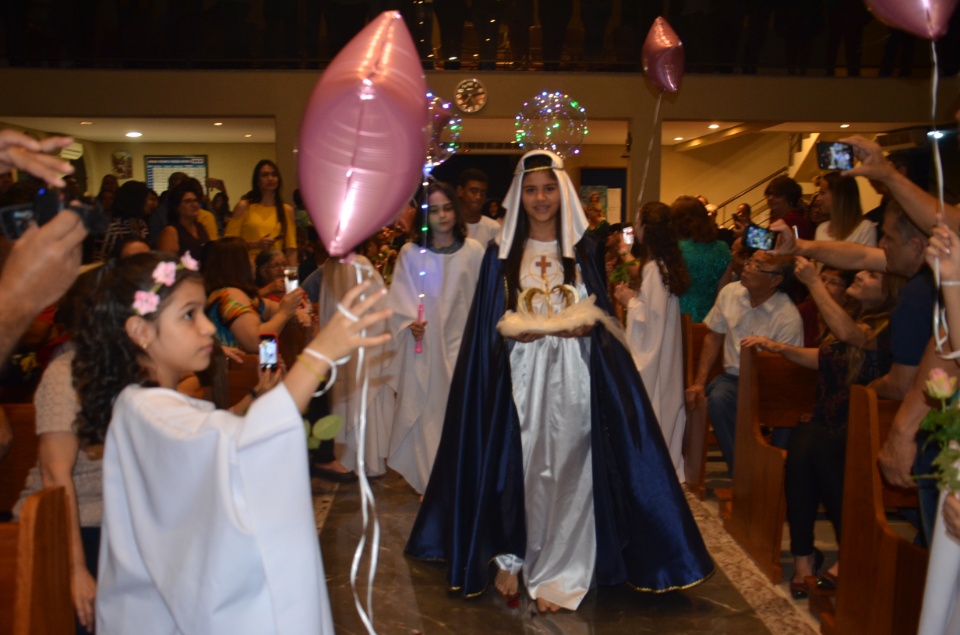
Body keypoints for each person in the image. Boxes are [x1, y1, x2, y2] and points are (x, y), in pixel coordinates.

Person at [406, 150, 713, 613]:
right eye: (530, 190)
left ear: (562, 192)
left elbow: (600, 312)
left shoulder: (584, 249)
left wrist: (588, 325)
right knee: (518, 469)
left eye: (548, 189)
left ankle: (561, 572)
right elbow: (491, 320)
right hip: (518, 380)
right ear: (518, 196)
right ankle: (514, 555)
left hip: (574, 378)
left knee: (568, 469)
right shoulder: (501, 253)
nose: (540, 198)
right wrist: (512, 334)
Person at [71, 251, 390, 634]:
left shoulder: (145, 404)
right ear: (140, 331)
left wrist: (257, 397)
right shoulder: (146, 409)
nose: (207, 328)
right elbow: (242, 446)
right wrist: (319, 355)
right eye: (189, 315)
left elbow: (214, 439)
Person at [743, 260, 898, 599]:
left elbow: (849, 336)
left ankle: (853, 554)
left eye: (870, 274)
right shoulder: (852, 312)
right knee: (800, 450)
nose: (858, 273)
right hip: (830, 415)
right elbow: (826, 357)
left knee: (823, 448)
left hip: (865, 419)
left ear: (889, 290)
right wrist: (780, 348)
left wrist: (814, 282)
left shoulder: (889, 325)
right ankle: (804, 558)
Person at [386, 181, 484, 494]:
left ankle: (458, 485)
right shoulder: (411, 253)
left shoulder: (474, 252)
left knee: (460, 417)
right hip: (424, 349)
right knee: (427, 416)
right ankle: (432, 488)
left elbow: (483, 302)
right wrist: (407, 325)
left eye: (448, 208)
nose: (442, 216)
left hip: (462, 349)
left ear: (456, 210)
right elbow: (399, 300)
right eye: (434, 210)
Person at [684, 251, 804, 475]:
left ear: (775, 280)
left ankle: (772, 476)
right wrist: (699, 382)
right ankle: (743, 473)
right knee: (718, 398)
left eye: (757, 266)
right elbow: (714, 335)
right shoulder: (730, 292)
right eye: (750, 262)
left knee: (787, 416)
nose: (747, 268)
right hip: (734, 379)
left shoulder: (787, 315)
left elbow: (786, 370)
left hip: (771, 384)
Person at [613, 201, 691, 480]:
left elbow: (649, 322)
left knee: (651, 404)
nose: (634, 228)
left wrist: (629, 301)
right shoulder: (664, 264)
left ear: (648, 229)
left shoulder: (653, 271)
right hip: (665, 350)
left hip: (655, 352)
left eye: (638, 222)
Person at [203, 237, 306, 353]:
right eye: (249, 256)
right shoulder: (229, 294)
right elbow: (255, 343)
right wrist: (284, 313)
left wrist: (296, 312)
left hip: (257, 367)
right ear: (238, 263)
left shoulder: (242, 294)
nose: (253, 262)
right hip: (238, 369)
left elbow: (275, 308)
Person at [226, 159, 297, 266]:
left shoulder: (286, 210)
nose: (270, 178)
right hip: (248, 267)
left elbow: (290, 248)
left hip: (274, 268)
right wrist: (256, 244)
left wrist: (292, 280)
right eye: (265, 175)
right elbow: (228, 243)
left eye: (274, 175)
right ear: (257, 181)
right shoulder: (244, 206)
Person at [672, 196, 731, 322]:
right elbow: (722, 293)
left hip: (678, 319)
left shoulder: (675, 249)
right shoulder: (722, 249)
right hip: (709, 319)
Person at [814, 171, 876, 247]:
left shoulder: (864, 228)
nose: (818, 198)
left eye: (823, 193)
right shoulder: (821, 229)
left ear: (839, 196)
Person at [156, 182, 210, 263]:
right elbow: (166, 265)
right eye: (188, 201)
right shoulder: (171, 231)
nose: (194, 204)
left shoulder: (200, 227)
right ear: (176, 207)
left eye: (196, 200)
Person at [457, 168, 500, 248]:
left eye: (482, 192)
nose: (478, 196)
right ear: (460, 191)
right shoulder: (450, 225)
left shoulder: (493, 227)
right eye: (473, 191)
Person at [765, 175, 813, 239]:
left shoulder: (793, 220)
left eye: (778, 195)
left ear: (790, 198)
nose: (770, 198)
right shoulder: (783, 218)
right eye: (769, 194)